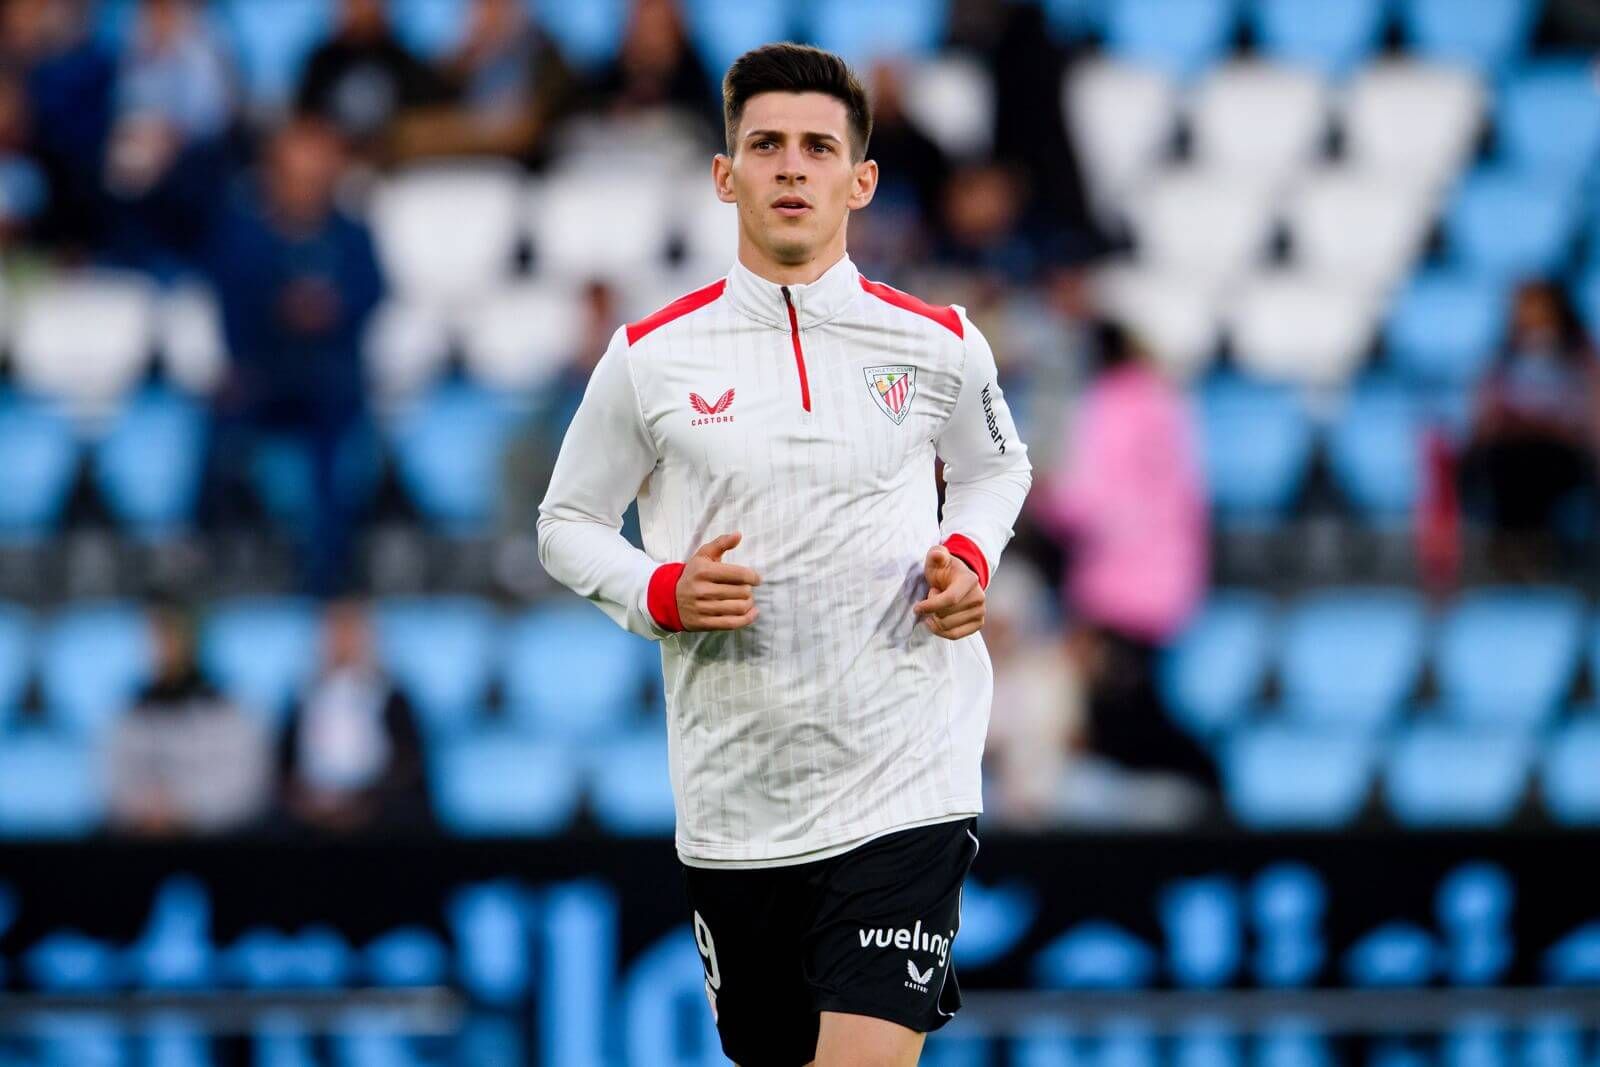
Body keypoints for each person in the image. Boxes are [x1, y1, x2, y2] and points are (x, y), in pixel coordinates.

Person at [537, 43, 1032, 1066]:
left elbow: (997, 467)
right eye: (765, 145)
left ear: (862, 179)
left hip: (904, 778)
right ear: (726, 176)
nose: (791, 167)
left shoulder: (936, 342)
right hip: (736, 803)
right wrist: (660, 589)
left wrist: (968, 556)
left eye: (817, 147)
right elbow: (565, 523)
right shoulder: (651, 356)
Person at [202, 117, 384, 596]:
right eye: (296, 176)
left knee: (334, 453)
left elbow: (371, 295)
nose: (306, 188)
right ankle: (214, 560)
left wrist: (331, 309)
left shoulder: (351, 234)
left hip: (331, 379)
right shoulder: (246, 236)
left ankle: (326, 572)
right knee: (218, 435)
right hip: (265, 373)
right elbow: (232, 307)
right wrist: (279, 310)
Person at [1037, 321, 1217, 795]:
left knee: (1118, 722)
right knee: (1145, 709)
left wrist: (1041, 495)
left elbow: (1084, 504)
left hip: (1115, 590)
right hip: (1171, 588)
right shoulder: (1168, 400)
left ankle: (1204, 793)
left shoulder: (1107, 404)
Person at [1461, 279, 1600, 579]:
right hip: (1511, 453)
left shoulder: (1581, 358)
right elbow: (1482, 417)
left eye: (1539, 309)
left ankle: (1537, 556)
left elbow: (1590, 419)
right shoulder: (1501, 360)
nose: (1532, 318)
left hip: (1562, 454)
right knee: (1504, 465)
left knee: (1533, 465)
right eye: (1525, 310)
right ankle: (1516, 557)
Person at [107, 600, 272, 835]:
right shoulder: (127, 710)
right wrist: (146, 808)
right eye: (156, 637)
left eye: (172, 636)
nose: (162, 648)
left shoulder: (230, 710)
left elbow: (247, 788)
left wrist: (184, 808)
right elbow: (109, 784)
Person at [279, 600, 430, 835]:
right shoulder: (302, 696)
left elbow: (409, 763)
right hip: (313, 810)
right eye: (336, 633)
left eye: (350, 633)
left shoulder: (393, 697)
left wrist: (364, 802)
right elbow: (285, 766)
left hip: (379, 809)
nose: (343, 643)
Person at [295, 0, 441, 156]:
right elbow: (306, 121)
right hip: (335, 163)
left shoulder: (403, 62)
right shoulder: (323, 62)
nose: (361, 8)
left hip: (393, 164)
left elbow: (427, 117)